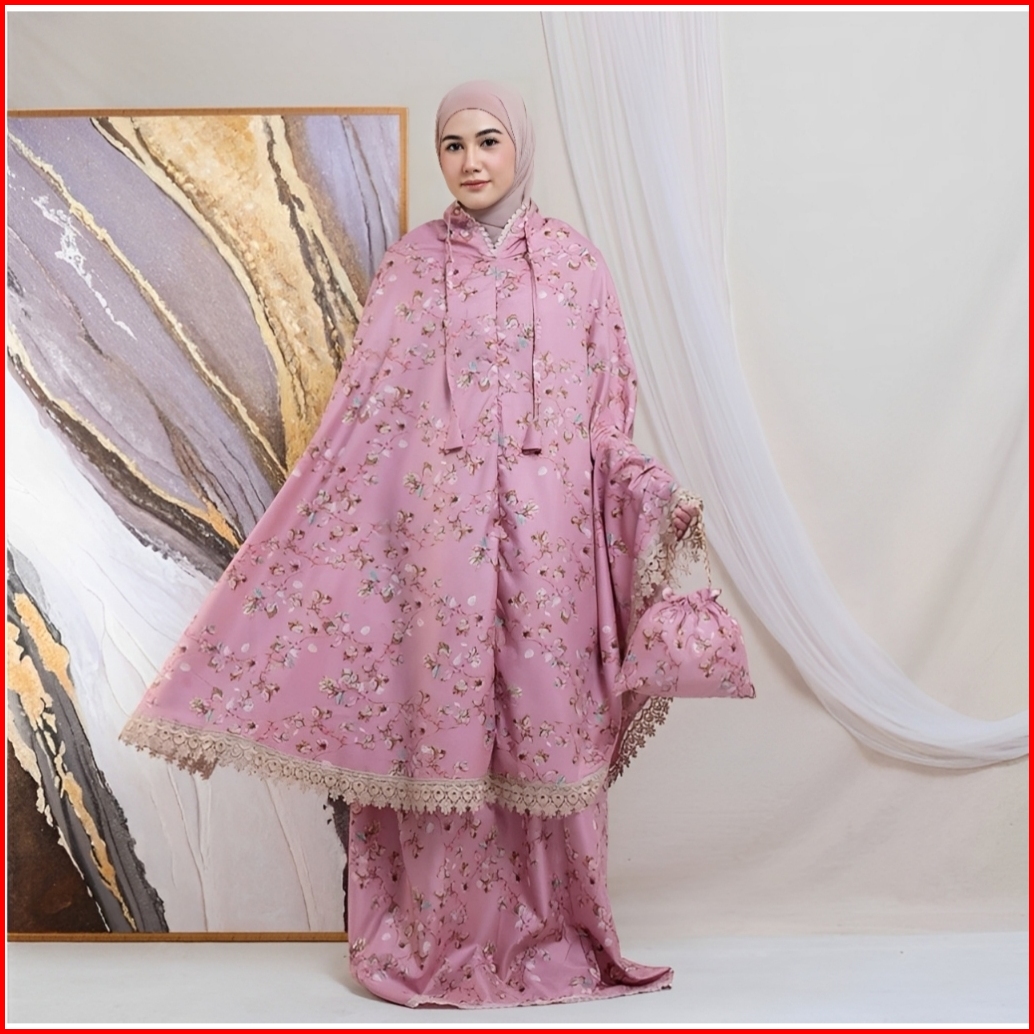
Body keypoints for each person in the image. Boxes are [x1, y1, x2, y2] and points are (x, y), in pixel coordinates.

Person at [122, 81, 707, 1007]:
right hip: (437, 546)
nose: (471, 161)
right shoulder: (409, 265)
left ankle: (555, 935)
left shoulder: (577, 266)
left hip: (551, 544)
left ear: (520, 146)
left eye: (488, 141)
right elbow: (364, 413)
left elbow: (606, 415)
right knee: (440, 730)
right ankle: (438, 940)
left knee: (546, 728)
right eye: (452, 145)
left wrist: (650, 491)